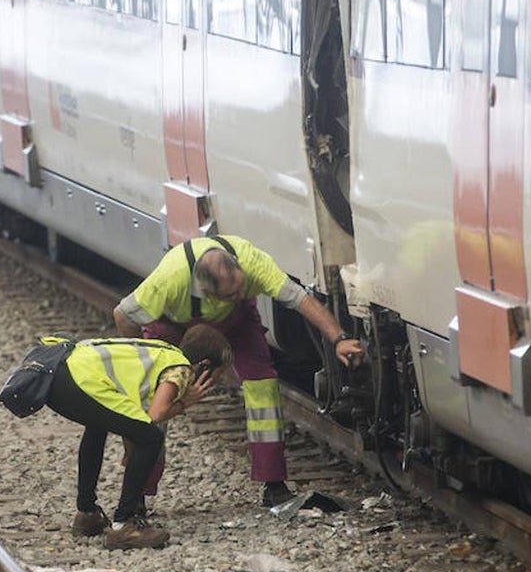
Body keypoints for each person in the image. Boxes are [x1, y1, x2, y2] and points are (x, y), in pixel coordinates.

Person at [113, 234, 364, 508]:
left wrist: (339, 338)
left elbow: (300, 300)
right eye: (231, 295)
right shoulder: (170, 280)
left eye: (242, 288)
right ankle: (136, 493)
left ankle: (274, 485)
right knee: (153, 401)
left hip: (236, 322)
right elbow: (123, 315)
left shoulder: (252, 263)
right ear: (206, 292)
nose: (240, 295)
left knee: (263, 386)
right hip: (172, 324)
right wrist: (141, 365)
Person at [45, 325, 232, 550]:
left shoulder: (164, 351)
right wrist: (185, 402)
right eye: (215, 377)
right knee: (151, 438)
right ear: (204, 365)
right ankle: (124, 525)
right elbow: (156, 415)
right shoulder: (180, 369)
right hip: (77, 378)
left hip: (59, 372)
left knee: (97, 425)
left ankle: (87, 513)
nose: (213, 384)